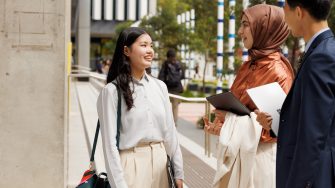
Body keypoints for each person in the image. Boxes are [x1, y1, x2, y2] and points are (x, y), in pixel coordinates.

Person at [203, 4, 294, 187]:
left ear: (264, 28)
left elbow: (277, 130)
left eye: (245, 25)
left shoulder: (278, 72)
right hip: (238, 159)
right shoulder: (249, 65)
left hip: (260, 164)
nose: (239, 31)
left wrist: (230, 120)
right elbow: (241, 111)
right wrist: (223, 127)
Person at [256, 0, 335, 187]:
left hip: (313, 177)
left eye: (284, 9)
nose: (284, 17)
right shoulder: (323, 51)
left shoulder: (321, 58)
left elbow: (313, 135)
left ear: (299, 12)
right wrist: (277, 122)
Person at [96, 27, 184, 188]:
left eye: (151, 45)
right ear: (126, 50)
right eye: (143, 45)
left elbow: (171, 134)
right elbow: (109, 146)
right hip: (130, 167)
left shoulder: (160, 87)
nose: (150, 50)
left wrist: (179, 173)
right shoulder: (112, 91)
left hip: (161, 165)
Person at [158, 49, 184, 124]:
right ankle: (174, 124)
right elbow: (183, 76)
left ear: (167, 57)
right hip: (177, 89)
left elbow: (161, 76)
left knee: (164, 106)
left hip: (167, 89)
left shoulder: (165, 64)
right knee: (175, 107)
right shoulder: (179, 64)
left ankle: (166, 123)